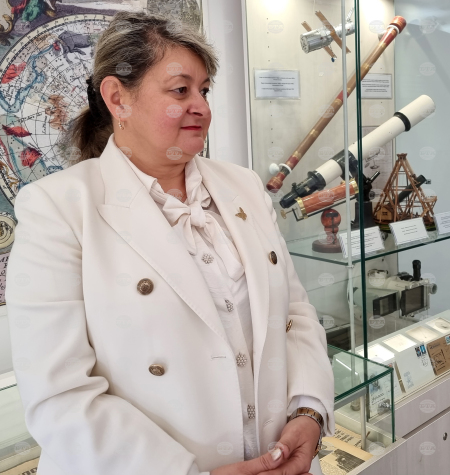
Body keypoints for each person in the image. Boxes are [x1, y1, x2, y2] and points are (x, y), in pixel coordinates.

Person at [5, 11, 334, 475]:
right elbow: (60, 395)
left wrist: (309, 411)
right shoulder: (58, 208)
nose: (201, 107)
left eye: (205, 90)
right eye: (181, 90)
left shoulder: (243, 186)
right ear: (118, 98)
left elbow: (294, 314)